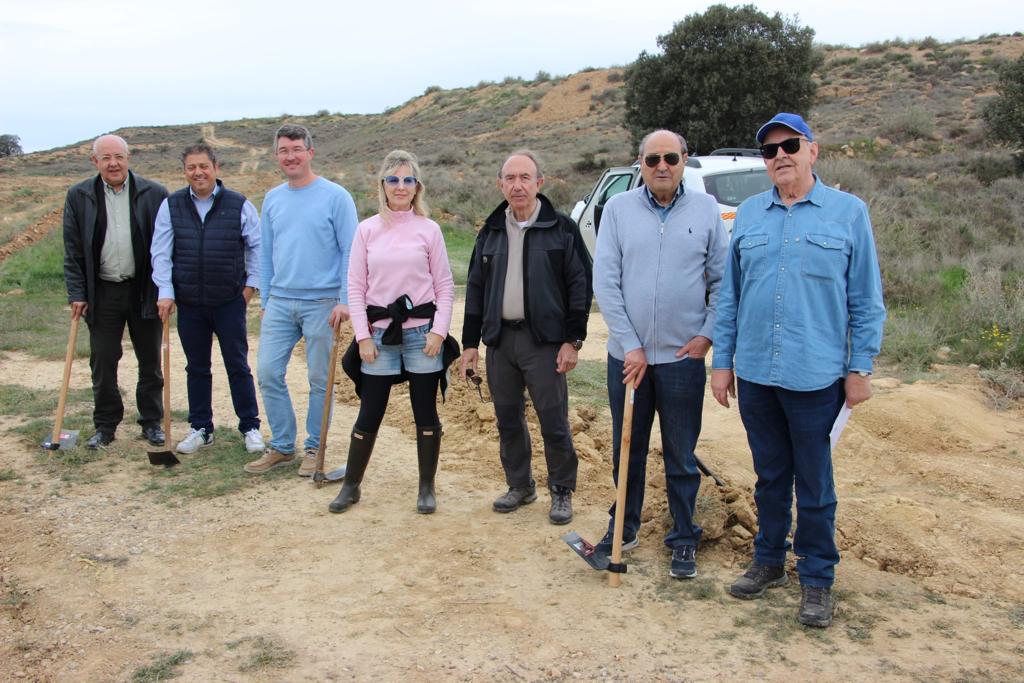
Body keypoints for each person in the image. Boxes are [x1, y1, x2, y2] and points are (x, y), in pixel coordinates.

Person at [710, 113, 886, 628]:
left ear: (813, 150)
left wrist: (861, 367)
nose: (780, 156)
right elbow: (730, 299)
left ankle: (816, 578)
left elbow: (866, 300)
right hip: (758, 375)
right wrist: (723, 364)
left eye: (790, 145)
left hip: (817, 377)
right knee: (769, 478)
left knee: (814, 482)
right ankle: (767, 562)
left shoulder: (848, 213)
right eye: (769, 150)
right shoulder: (747, 216)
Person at [592, 129, 728, 579]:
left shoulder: (706, 210)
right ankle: (624, 529)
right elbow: (606, 282)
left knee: (681, 454)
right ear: (640, 163)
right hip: (628, 360)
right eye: (653, 160)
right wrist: (630, 343)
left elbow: (721, 282)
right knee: (626, 448)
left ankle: (684, 536)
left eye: (671, 157)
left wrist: (706, 336)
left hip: (680, 361)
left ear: (685, 159)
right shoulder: (618, 210)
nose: (662, 166)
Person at [459, 150, 592, 525]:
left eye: (525, 178)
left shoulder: (561, 229)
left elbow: (580, 285)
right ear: (500, 184)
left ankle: (561, 491)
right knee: (507, 419)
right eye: (510, 179)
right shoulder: (490, 231)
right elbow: (475, 288)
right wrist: (471, 344)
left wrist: (573, 339)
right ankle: (520, 485)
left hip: (545, 343)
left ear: (539, 183)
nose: (517, 185)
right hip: (501, 343)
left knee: (554, 420)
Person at [329, 150, 455, 514]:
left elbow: (444, 285)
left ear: (417, 187)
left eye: (408, 180)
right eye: (394, 179)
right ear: (382, 185)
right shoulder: (366, 230)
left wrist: (439, 332)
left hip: (422, 336)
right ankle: (351, 486)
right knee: (370, 411)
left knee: (425, 411)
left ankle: (426, 488)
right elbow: (355, 286)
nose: (401, 186)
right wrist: (364, 336)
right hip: (380, 337)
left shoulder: (429, 230)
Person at [244, 124, 358, 475]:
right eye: (283, 150)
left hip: (323, 302)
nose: (290, 156)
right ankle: (281, 445)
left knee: (320, 380)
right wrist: (265, 298)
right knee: (266, 372)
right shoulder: (273, 198)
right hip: (280, 301)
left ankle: (314, 449)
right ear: (277, 156)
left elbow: (351, 251)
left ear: (311, 152)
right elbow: (266, 252)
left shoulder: (336, 196)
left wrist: (344, 299)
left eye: (296, 148)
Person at [150, 143, 264, 455]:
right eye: (191, 167)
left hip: (229, 300)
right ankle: (201, 428)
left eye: (204, 166)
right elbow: (161, 252)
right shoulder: (171, 206)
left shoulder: (238, 204)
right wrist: (166, 292)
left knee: (237, 364)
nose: (198, 172)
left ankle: (250, 426)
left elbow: (257, 248)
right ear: (184, 171)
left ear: (215, 168)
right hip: (189, 303)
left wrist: (250, 287)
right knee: (197, 367)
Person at [62, 134, 168, 449]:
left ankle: (151, 423)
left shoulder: (155, 193)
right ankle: (105, 426)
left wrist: (166, 289)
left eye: (119, 156)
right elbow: (73, 251)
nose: (113, 163)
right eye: (106, 157)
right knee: (104, 360)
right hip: (102, 292)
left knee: (150, 360)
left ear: (128, 157)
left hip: (143, 289)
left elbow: (167, 246)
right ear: (95, 161)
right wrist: (77, 292)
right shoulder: (79, 195)